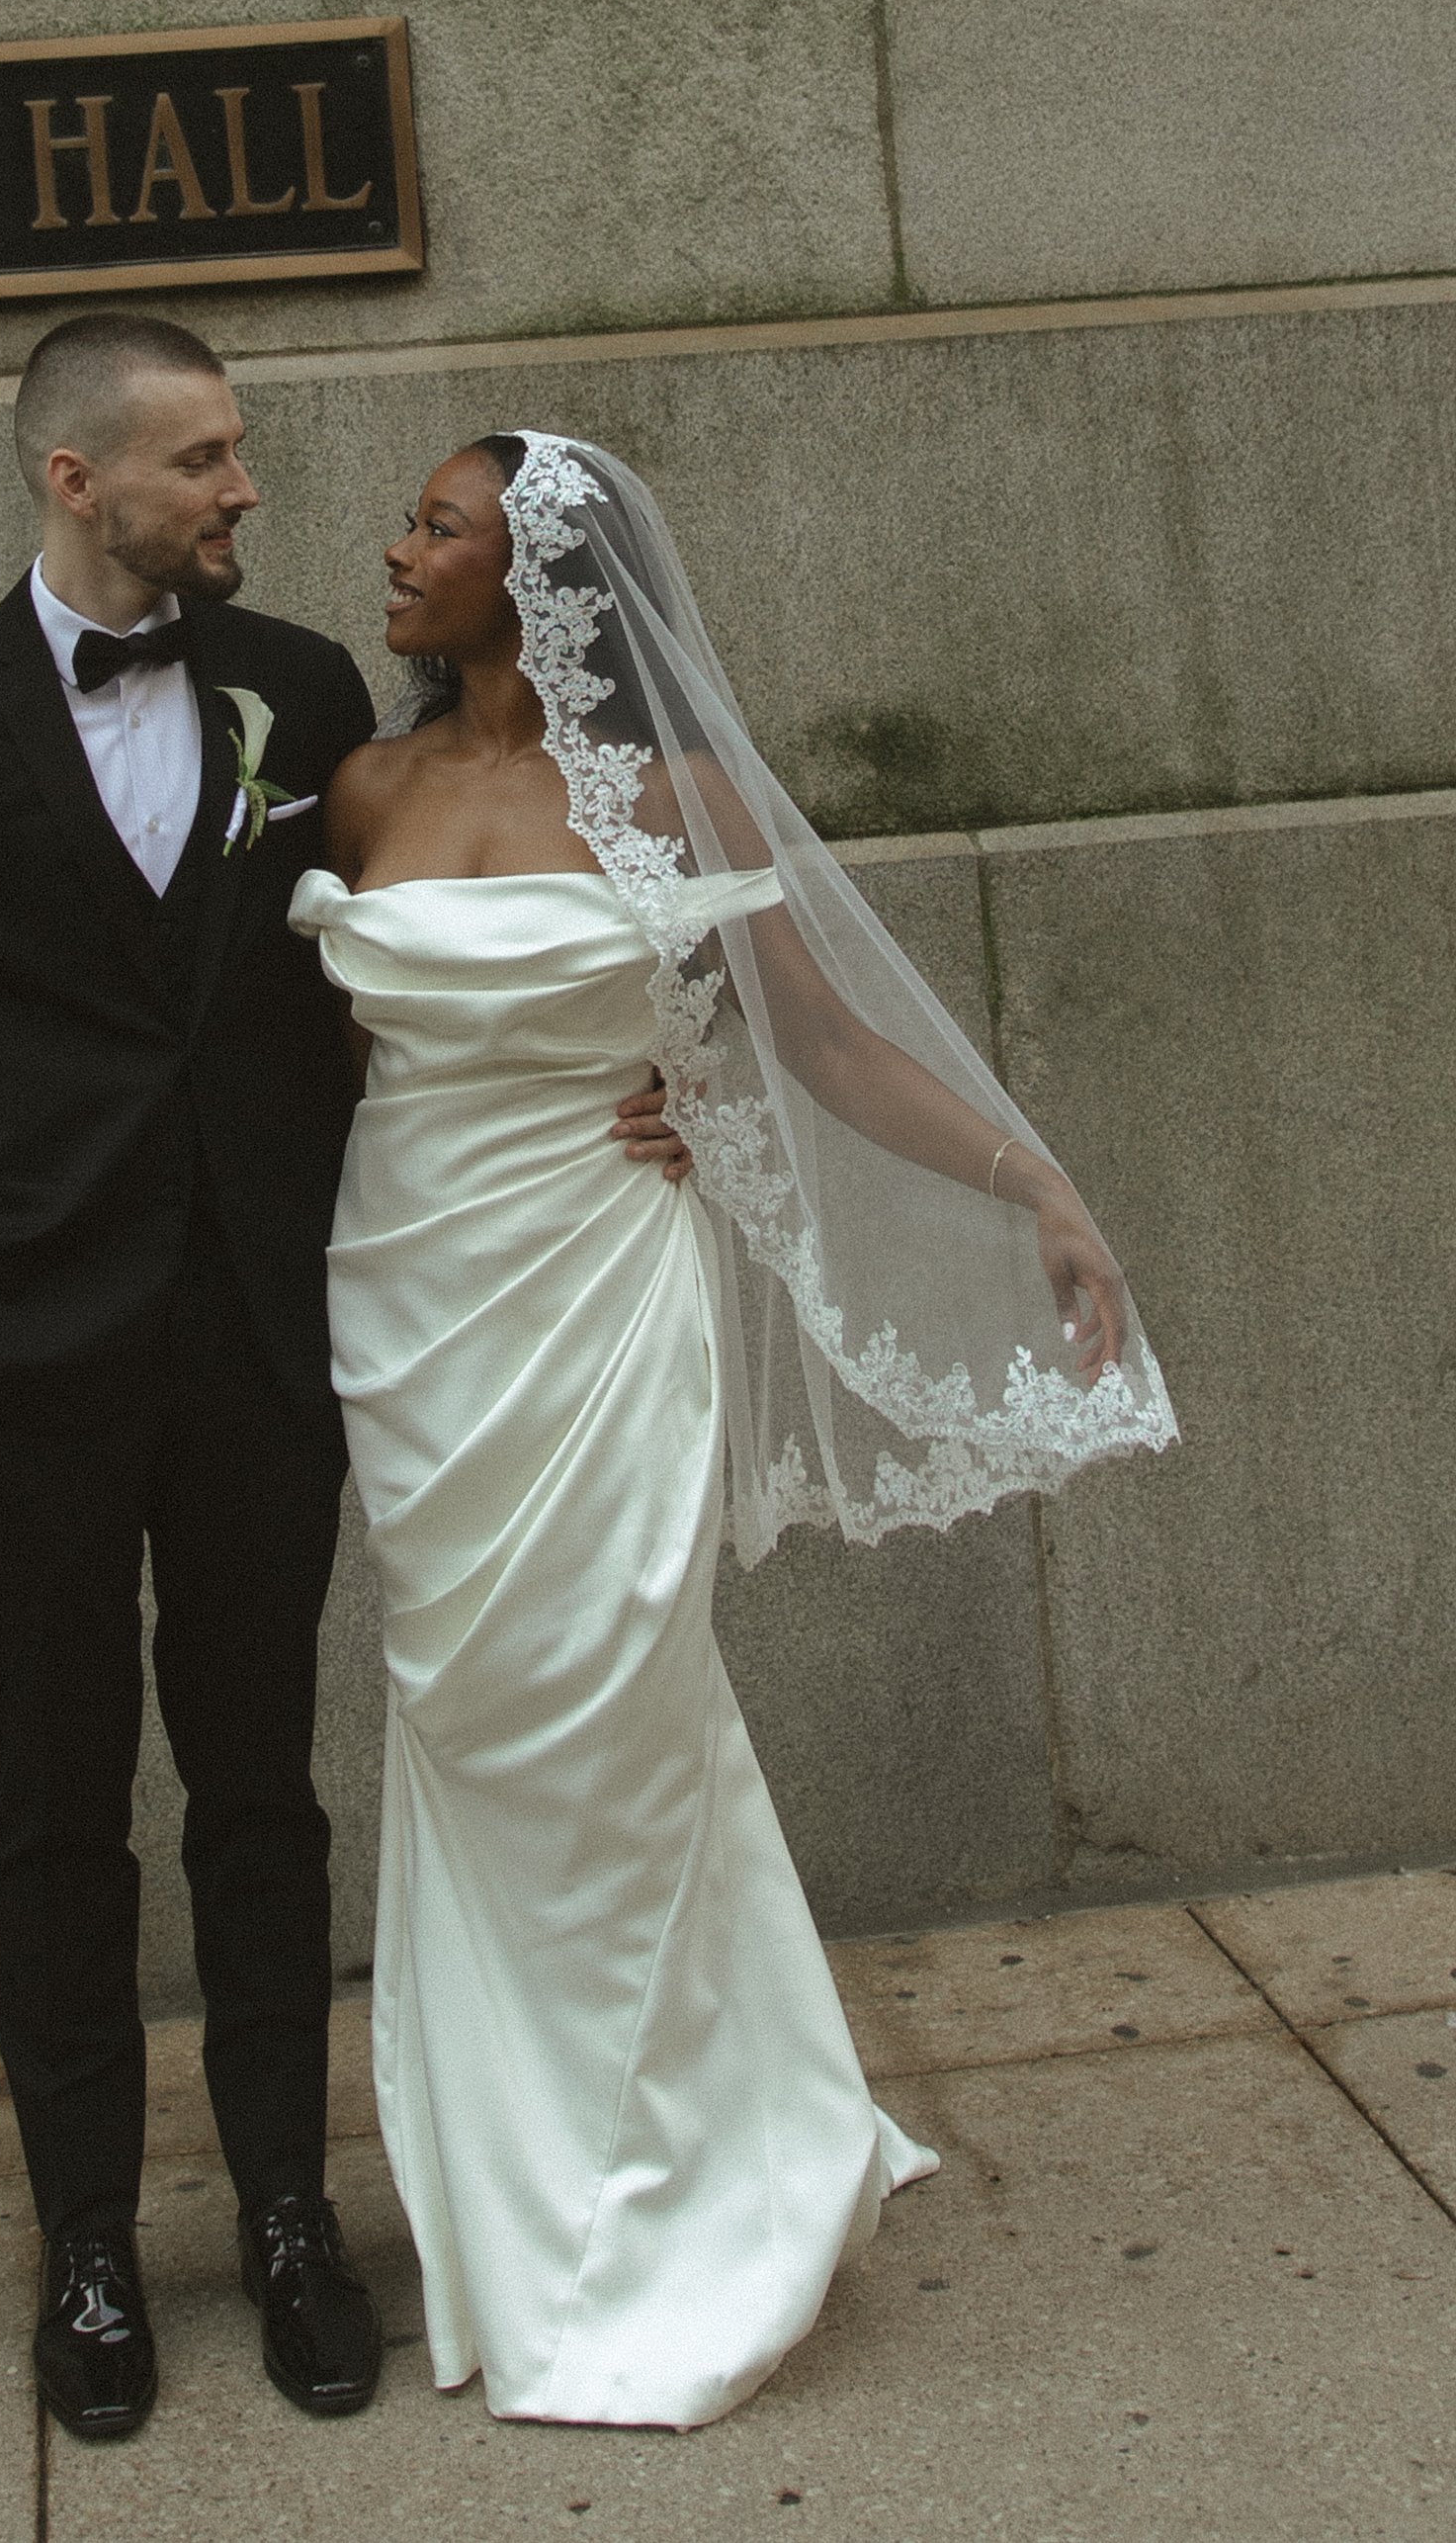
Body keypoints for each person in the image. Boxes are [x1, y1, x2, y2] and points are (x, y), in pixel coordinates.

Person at [295, 428, 1179, 2429]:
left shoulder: (670, 796)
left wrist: (1024, 1179)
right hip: (415, 1297)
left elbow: (826, 1041)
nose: (394, 547)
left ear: (534, 575)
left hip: (603, 1293)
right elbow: (339, 1061)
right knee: (459, 1711)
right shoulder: (359, 786)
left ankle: (688, 2180)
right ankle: (512, 2190)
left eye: (432, 524)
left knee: (616, 1691)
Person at [0, 311, 385, 2445]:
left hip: (248, 1337)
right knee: (55, 1809)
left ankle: (293, 2225)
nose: (238, 489)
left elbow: (389, 976)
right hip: (20, 1355)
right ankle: (94, 2250)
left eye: (233, 455)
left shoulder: (298, 692)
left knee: (259, 1790)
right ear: (77, 482)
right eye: (201, 460)